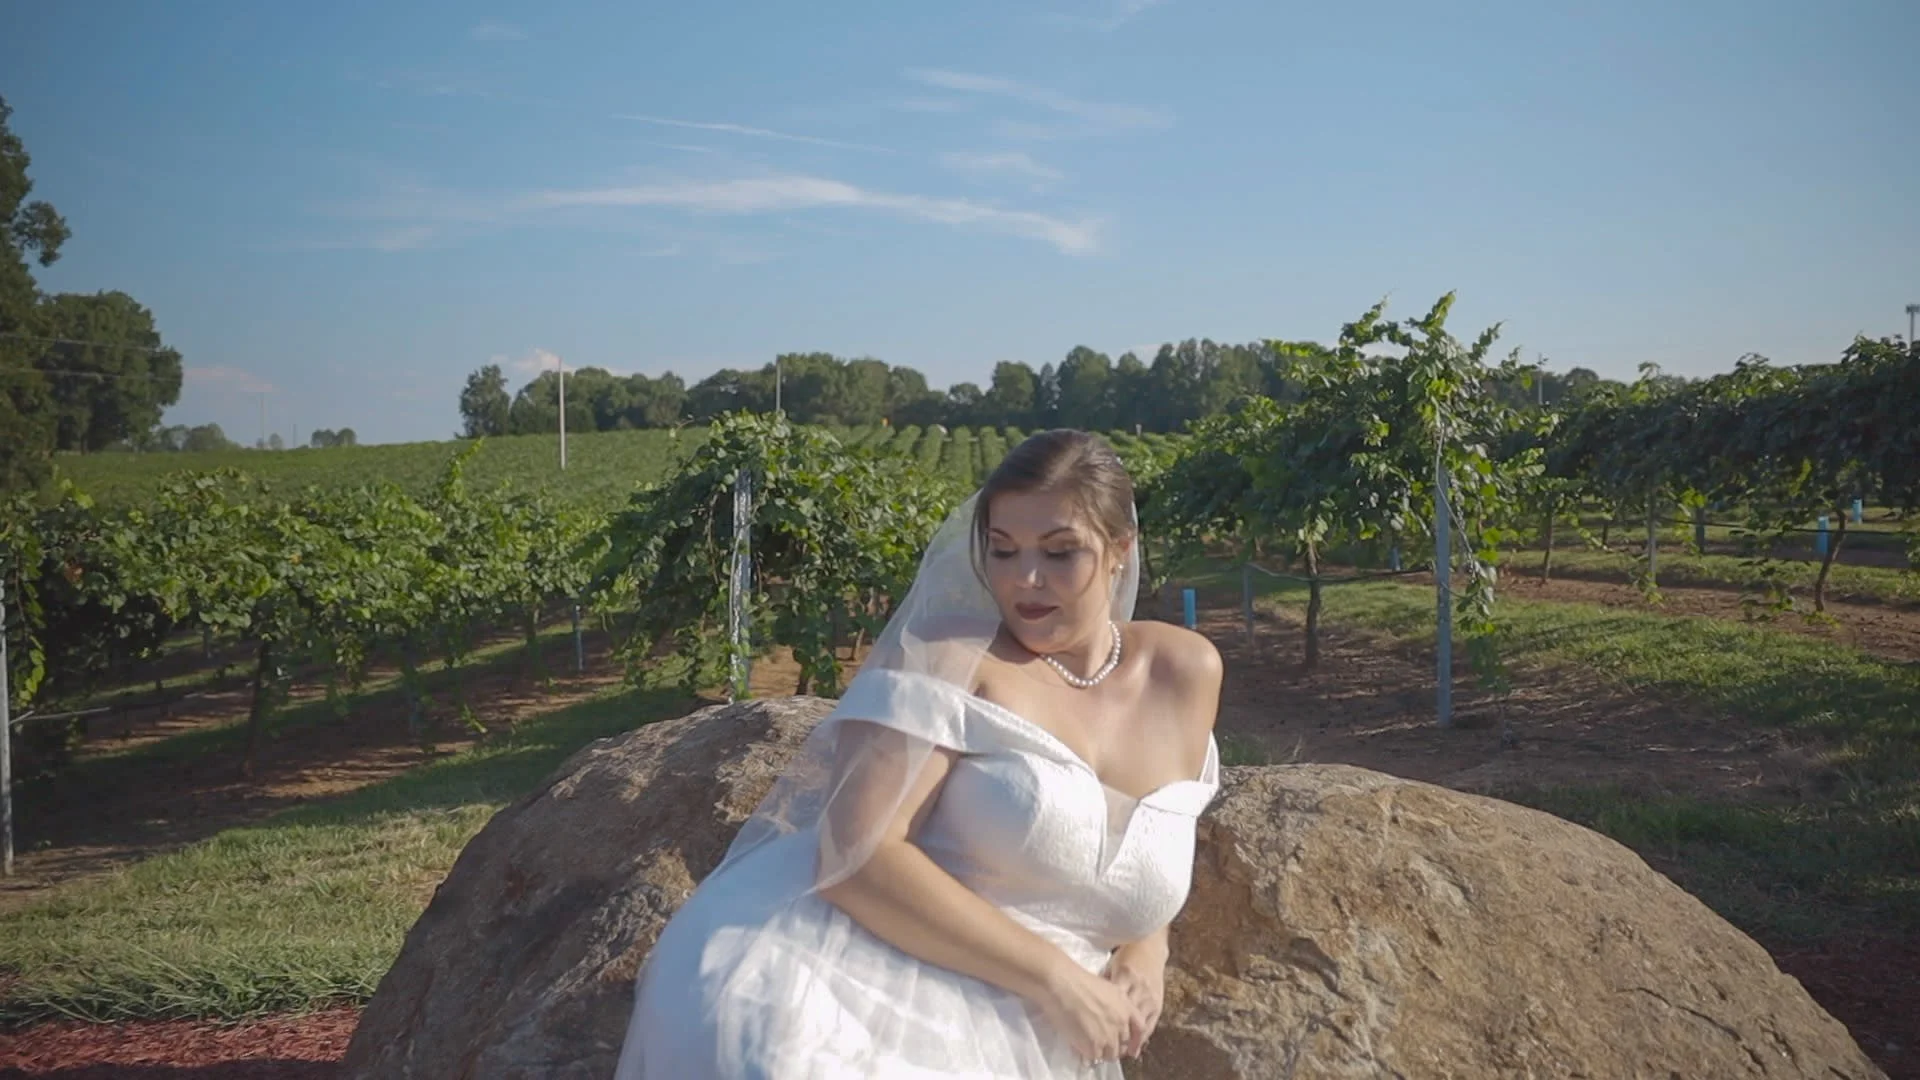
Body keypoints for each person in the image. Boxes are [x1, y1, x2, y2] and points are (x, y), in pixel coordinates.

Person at [614, 429, 1223, 1079]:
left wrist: (1144, 948)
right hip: (863, 989)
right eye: (1004, 551)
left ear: (1120, 552)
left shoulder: (1185, 671)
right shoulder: (947, 657)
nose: (1027, 580)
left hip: (1055, 1034)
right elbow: (855, 857)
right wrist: (1055, 979)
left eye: (1060, 551)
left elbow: (1149, 840)